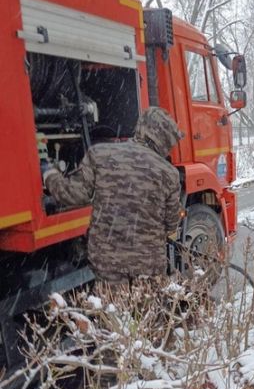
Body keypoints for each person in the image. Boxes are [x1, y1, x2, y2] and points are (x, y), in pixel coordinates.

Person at [44, 107, 183, 284]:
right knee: (146, 310)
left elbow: (73, 195)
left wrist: (50, 175)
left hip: (107, 261)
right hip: (148, 263)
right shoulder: (169, 173)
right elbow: (171, 222)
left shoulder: (100, 154)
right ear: (164, 140)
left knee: (114, 310)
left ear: (141, 128)